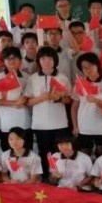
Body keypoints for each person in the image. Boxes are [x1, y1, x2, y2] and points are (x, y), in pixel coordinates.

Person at [25, 46, 72, 177]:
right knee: (44, 152)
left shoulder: (62, 77)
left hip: (59, 123)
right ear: (38, 61)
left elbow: (69, 99)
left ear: (55, 60)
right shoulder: (33, 78)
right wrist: (43, 98)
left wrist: (58, 99)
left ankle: (60, 178)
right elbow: (28, 102)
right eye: (43, 58)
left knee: (60, 153)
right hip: (40, 124)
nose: (46, 61)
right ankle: (46, 178)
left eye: (50, 58)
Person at [71, 52, 102, 158]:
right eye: (84, 68)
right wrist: (75, 126)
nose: (88, 70)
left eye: (90, 66)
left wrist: (96, 101)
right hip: (84, 128)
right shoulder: (79, 83)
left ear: (97, 65)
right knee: (84, 157)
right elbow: (74, 107)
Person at [0, 46, 31, 152]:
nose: (12, 61)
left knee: (26, 153)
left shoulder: (27, 77)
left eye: (15, 58)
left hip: (26, 123)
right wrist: (15, 103)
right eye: (8, 58)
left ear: (20, 60)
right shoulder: (0, 77)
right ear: (4, 61)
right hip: (8, 124)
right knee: (9, 155)